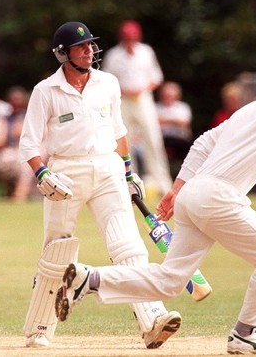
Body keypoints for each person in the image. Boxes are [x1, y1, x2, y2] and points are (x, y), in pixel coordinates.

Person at [55, 23, 256, 355]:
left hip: (196, 196)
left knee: (170, 279)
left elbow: (204, 142)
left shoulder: (250, 112)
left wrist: (176, 190)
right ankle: (246, 333)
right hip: (217, 197)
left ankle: (89, 279)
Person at [19, 21, 181, 349]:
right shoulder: (45, 91)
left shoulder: (107, 82)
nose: (90, 50)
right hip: (66, 171)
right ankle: (39, 327)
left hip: (108, 168)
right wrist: (42, 174)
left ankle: (152, 319)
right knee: (57, 250)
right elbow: (28, 144)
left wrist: (128, 170)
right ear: (63, 54)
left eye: (91, 45)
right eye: (82, 47)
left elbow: (120, 131)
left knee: (128, 245)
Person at [101, 20, 173, 195]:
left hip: (143, 99)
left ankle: (164, 186)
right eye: (127, 38)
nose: (129, 41)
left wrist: (141, 89)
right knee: (124, 142)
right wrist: (124, 91)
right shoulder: (113, 55)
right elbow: (106, 80)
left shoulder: (146, 52)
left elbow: (156, 77)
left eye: (132, 38)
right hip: (122, 100)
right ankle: (128, 184)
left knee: (153, 140)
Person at [156, 81, 193, 179]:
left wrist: (164, 120)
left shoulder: (182, 107)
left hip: (179, 139)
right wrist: (173, 120)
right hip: (162, 139)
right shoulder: (156, 107)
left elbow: (184, 123)